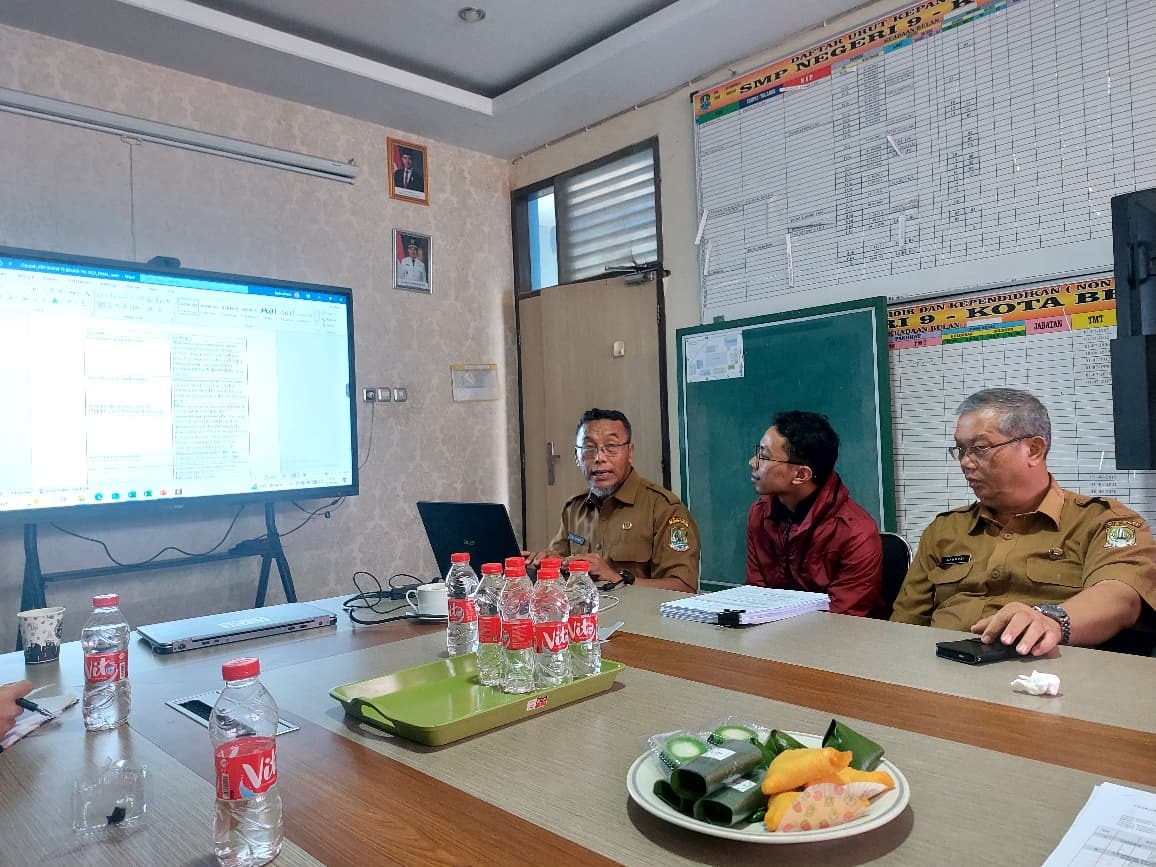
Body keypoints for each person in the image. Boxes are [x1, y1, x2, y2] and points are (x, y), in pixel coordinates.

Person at [891, 388, 1156, 655]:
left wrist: (1050, 620)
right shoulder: (945, 530)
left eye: (980, 448)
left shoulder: (1101, 522)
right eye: (960, 449)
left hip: (1046, 680)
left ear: (1034, 449)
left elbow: (1121, 597)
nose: (965, 463)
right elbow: (904, 626)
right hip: (942, 674)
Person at [527, 408, 699, 592]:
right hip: (586, 616)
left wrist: (617, 579)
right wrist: (546, 564)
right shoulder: (574, 509)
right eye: (589, 448)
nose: (599, 458)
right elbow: (560, 562)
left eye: (611, 447)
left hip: (640, 618)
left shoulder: (664, 509)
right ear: (576, 456)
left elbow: (683, 588)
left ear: (630, 452)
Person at [746, 410, 883, 616]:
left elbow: (842, 618)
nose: (752, 462)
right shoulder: (760, 513)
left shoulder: (856, 532)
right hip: (770, 637)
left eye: (764, 456)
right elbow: (756, 596)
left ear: (801, 474)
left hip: (835, 641)